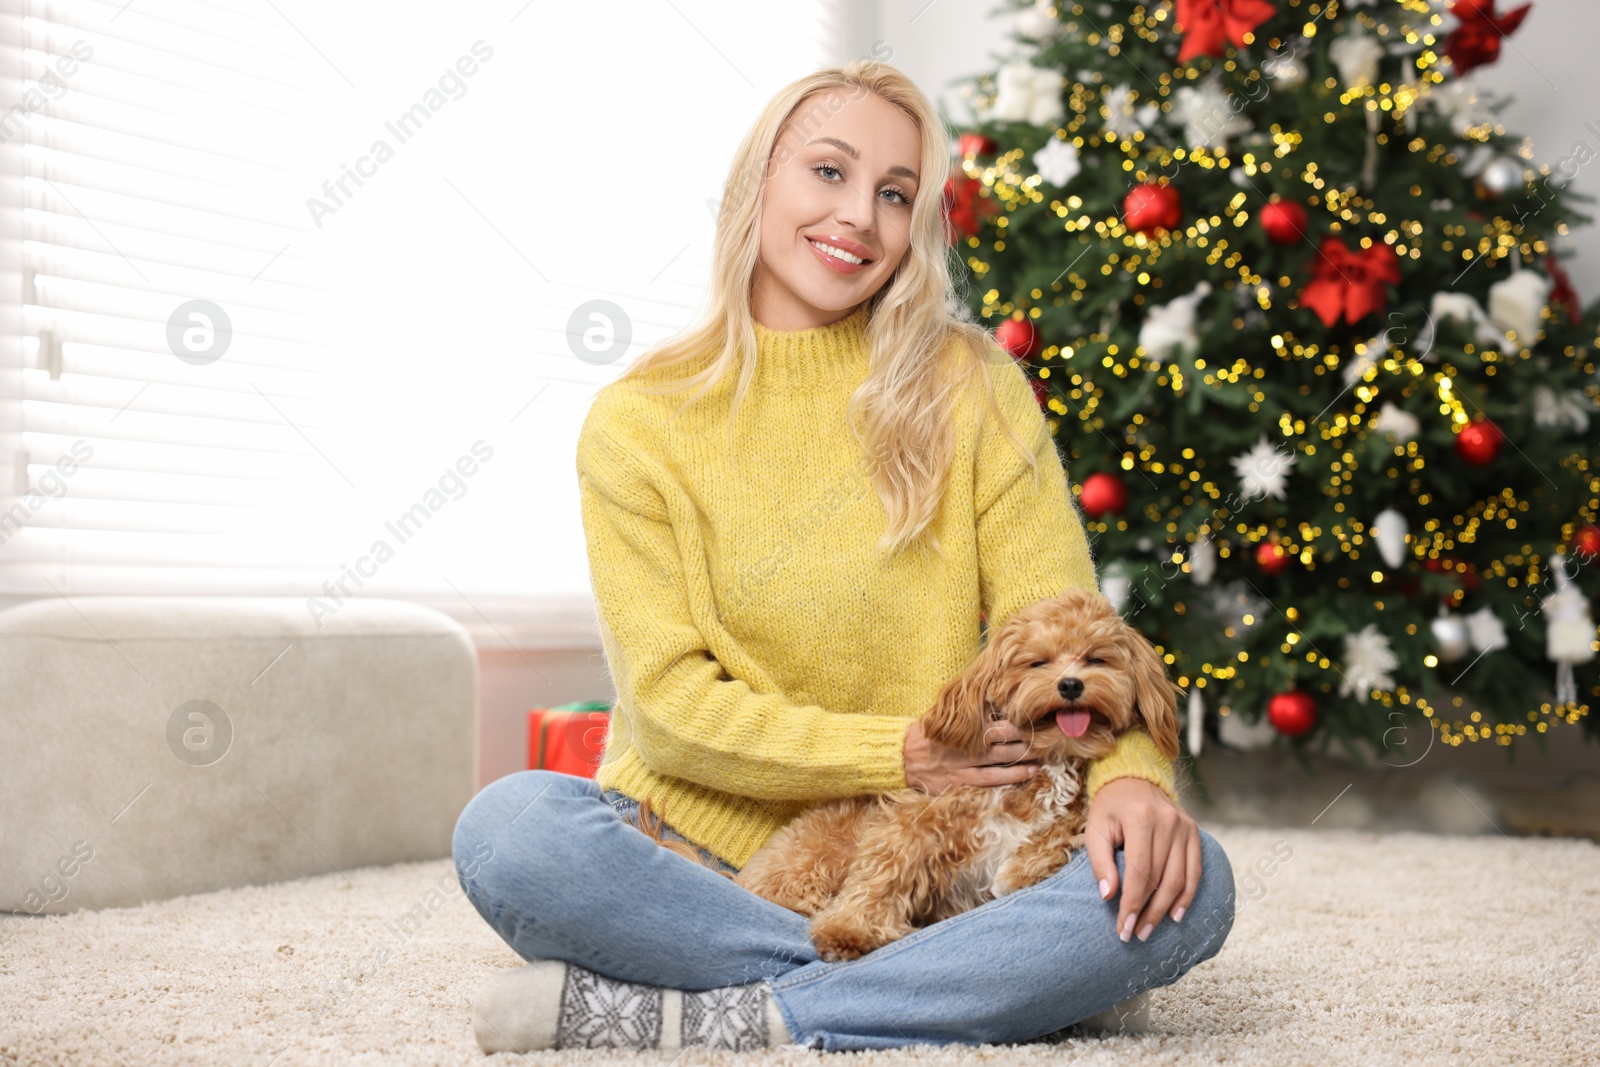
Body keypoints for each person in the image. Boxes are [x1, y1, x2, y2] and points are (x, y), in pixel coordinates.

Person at [453, 59, 1235, 1054]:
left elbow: (1064, 615)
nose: (859, 216)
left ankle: (730, 1015)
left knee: (1191, 882)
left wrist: (1129, 776)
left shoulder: (973, 384)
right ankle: (967, 984)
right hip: (692, 851)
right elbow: (669, 705)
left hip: (938, 862)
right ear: (759, 182)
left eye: (896, 193)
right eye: (828, 171)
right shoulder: (638, 421)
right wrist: (897, 751)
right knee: (508, 830)